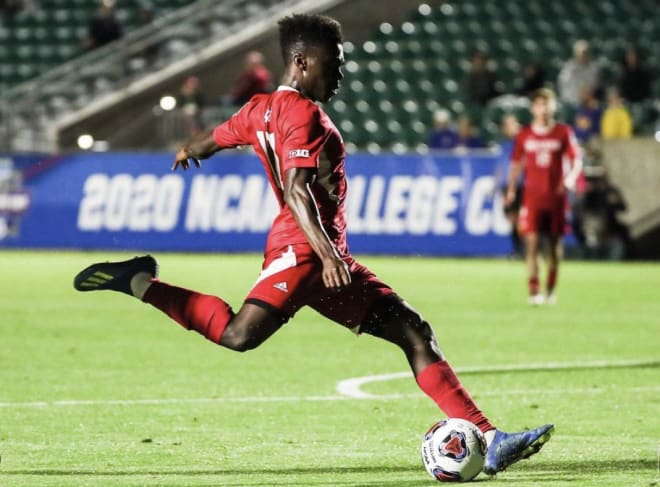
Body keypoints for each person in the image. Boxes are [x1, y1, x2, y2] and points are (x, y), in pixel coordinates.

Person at [73, 13, 553, 476]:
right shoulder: (303, 115)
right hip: (305, 251)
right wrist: (326, 257)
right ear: (302, 62)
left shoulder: (259, 108)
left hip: (323, 254)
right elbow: (298, 189)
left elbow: (215, 138)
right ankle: (139, 281)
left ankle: (490, 441)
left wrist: (188, 150)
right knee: (240, 335)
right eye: (334, 62)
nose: (340, 72)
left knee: (413, 331)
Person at [505, 88, 583, 305]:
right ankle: (534, 290)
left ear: (554, 106)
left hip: (556, 198)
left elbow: (576, 160)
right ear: (533, 108)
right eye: (539, 104)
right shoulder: (525, 135)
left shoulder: (563, 132)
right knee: (531, 243)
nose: (544, 108)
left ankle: (550, 289)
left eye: (547, 103)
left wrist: (570, 178)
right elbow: (516, 163)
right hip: (532, 198)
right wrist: (511, 189)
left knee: (554, 247)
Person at [497, 113, 523, 256]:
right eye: (507, 125)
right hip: (506, 185)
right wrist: (496, 184)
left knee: (520, 218)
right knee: (512, 218)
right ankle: (518, 248)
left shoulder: (522, 143)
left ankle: (525, 248)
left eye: (512, 124)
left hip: (520, 185)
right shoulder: (504, 145)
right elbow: (500, 166)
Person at [557, 40, 599, 107]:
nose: (583, 55)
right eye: (580, 53)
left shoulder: (593, 68)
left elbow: (593, 86)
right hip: (570, 102)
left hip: (587, 102)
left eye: (585, 53)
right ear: (575, 53)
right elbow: (562, 84)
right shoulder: (569, 66)